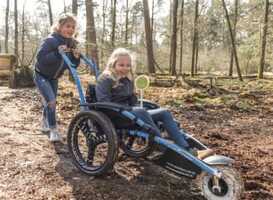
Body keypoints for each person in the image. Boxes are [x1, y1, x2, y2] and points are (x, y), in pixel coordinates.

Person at [95, 48, 213, 159]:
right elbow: (104, 103)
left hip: (131, 114)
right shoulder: (105, 79)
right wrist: (129, 109)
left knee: (164, 113)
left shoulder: (127, 80)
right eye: (121, 65)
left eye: (128, 65)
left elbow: (132, 100)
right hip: (116, 117)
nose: (125, 68)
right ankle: (162, 147)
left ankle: (187, 148)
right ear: (113, 64)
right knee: (141, 111)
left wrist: (134, 100)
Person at [34, 13, 81, 142]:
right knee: (52, 102)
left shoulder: (72, 44)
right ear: (59, 26)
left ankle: (44, 121)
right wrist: (57, 53)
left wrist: (76, 58)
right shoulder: (50, 40)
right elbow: (41, 58)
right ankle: (53, 130)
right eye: (67, 26)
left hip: (54, 78)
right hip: (41, 75)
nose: (70, 29)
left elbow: (73, 65)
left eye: (73, 27)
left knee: (50, 101)